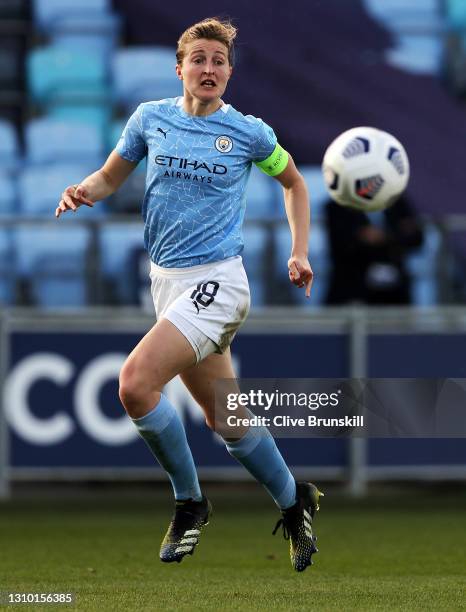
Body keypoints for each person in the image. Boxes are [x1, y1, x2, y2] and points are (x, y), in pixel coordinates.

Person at [55, 17, 322, 572]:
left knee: (134, 385)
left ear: (229, 72)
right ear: (180, 69)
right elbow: (111, 176)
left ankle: (189, 502)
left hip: (219, 281)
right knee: (225, 415)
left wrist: (299, 252)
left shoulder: (250, 133)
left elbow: (295, 183)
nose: (209, 69)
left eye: (219, 61)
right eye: (198, 59)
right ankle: (296, 499)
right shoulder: (150, 120)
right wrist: (84, 191)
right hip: (168, 282)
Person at [325, 195, 424, 305]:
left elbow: (416, 239)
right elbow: (343, 245)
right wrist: (395, 236)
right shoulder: (338, 205)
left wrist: (382, 237)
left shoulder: (397, 201)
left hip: (396, 293)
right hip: (354, 292)